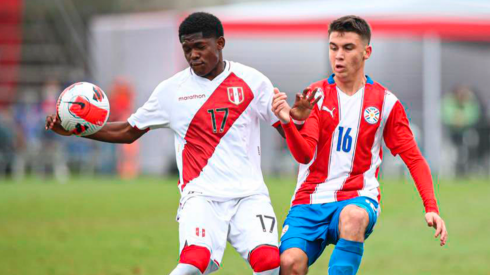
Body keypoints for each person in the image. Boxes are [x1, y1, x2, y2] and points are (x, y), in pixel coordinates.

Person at [45, 12, 281, 275]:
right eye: (187, 48)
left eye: (200, 47)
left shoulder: (253, 81)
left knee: (269, 264)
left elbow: (287, 127)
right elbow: (128, 130)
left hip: (249, 196)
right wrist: (79, 130)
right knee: (193, 264)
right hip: (201, 197)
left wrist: (300, 122)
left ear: (220, 43)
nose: (193, 55)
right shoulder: (171, 91)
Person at [271, 15, 448, 275]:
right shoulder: (315, 95)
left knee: (353, 217)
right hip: (309, 200)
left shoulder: (385, 103)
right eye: (333, 48)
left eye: (348, 48)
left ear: (367, 52)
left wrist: (431, 207)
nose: (338, 56)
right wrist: (287, 122)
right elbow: (304, 154)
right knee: (289, 264)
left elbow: (414, 158)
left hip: (357, 198)